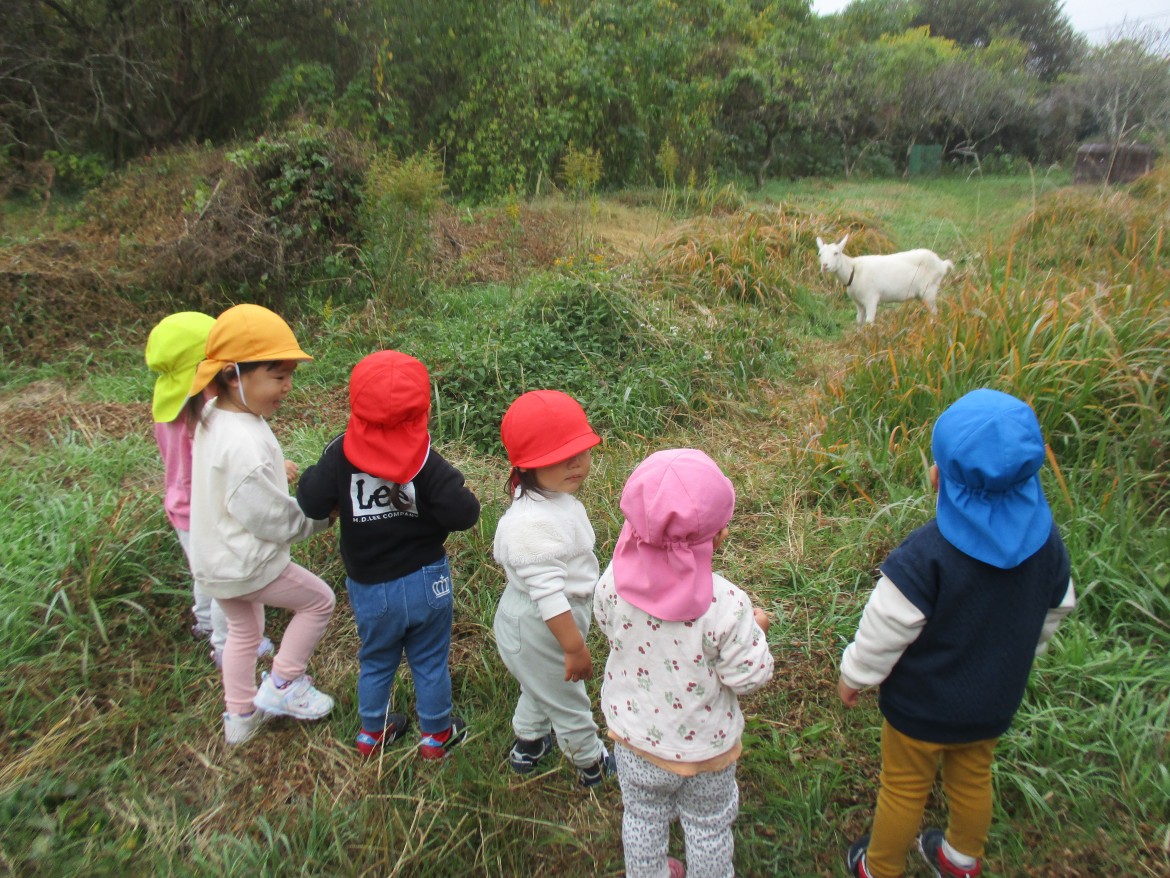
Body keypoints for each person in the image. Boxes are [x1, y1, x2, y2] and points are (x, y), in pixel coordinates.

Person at [838, 388, 1076, 878]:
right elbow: (1057, 607)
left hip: (920, 707)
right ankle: (960, 859)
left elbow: (886, 626)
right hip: (992, 701)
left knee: (903, 787)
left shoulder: (926, 556)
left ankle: (879, 868)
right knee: (973, 778)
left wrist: (855, 674)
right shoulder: (1048, 544)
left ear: (938, 477)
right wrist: (1024, 650)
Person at [594, 448, 774, 878]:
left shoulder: (613, 580)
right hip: (705, 748)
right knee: (708, 824)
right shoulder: (727, 604)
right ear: (720, 535)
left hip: (634, 739)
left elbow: (606, 623)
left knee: (642, 816)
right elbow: (749, 675)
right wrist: (756, 630)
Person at [297, 350, 481, 760]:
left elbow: (310, 501)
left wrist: (322, 483)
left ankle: (372, 732)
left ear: (355, 407)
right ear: (424, 411)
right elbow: (465, 513)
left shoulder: (340, 453)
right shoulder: (427, 461)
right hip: (426, 580)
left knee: (377, 660)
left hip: (370, 586)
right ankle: (437, 736)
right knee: (429, 661)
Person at [188, 303, 337, 745]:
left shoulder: (213, 414)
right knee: (318, 602)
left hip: (214, 561)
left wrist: (274, 472)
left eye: (290, 375)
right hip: (247, 564)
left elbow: (235, 486)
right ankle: (286, 682)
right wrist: (320, 518)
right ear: (233, 375)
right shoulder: (243, 443)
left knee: (243, 632)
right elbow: (270, 517)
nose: (287, 387)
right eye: (278, 376)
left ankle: (239, 717)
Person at [492, 390, 614, 787]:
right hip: (543, 620)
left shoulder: (550, 497)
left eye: (581, 452)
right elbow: (547, 594)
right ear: (526, 466)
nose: (576, 463)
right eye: (559, 457)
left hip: (546, 616)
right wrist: (573, 647)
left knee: (540, 684)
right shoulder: (531, 523)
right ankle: (591, 763)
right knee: (567, 698)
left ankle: (529, 741)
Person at [145, 311, 274, 667]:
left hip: (181, 508)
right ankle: (227, 644)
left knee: (204, 572)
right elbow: (223, 467)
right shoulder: (206, 414)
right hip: (209, 512)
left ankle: (203, 622)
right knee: (227, 584)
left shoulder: (168, 405)